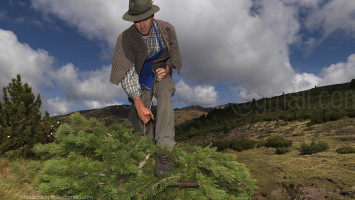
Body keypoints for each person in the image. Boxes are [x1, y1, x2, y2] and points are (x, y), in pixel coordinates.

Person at [110, 0, 182, 176]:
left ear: (152, 15)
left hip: (160, 73)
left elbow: (173, 59)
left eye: (145, 19)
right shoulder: (125, 39)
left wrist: (166, 69)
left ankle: (164, 153)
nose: (142, 25)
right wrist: (138, 102)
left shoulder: (167, 30)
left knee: (165, 93)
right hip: (138, 76)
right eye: (137, 21)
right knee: (141, 113)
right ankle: (144, 149)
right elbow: (126, 72)